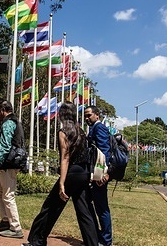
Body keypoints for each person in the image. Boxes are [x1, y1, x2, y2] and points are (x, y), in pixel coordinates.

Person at [23, 102, 98, 246]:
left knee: (50, 207)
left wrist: (62, 183)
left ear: (61, 115)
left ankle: (37, 241)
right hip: (83, 173)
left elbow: (65, 158)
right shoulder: (81, 131)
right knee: (84, 211)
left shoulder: (64, 132)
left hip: (71, 174)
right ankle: (92, 243)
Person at [0, 100, 24, 239]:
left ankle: (16, 228)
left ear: (3, 110)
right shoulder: (13, 122)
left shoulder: (8, 123)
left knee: (8, 196)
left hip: (8, 165)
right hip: (11, 164)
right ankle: (5, 220)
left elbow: (4, 146)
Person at [85, 105, 112, 246]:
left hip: (99, 175)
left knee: (102, 208)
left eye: (89, 115)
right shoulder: (93, 128)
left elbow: (104, 151)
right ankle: (97, 236)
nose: (87, 118)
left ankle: (106, 240)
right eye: (85, 116)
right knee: (92, 204)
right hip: (95, 173)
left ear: (97, 115)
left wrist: (104, 173)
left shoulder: (99, 127)